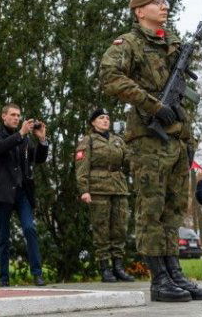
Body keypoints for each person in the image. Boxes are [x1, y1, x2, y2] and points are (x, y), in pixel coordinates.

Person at [99, 0, 202, 302]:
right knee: (151, 208)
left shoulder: (171, 43)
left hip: (176, 138)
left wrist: (188, 138)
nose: (164, 6)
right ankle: (159, 279)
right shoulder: (129, 43)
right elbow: (109, 76)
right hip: (149, 139)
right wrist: (151, 104)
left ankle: (175, 273)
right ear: (139, 11)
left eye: (165, 2)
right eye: (157, 3)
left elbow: (183, 91)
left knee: (173, 210)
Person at [0, 103, 49, 287]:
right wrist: (20, 133)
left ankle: (37, 274)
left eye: (19, 115)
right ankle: (4, 279)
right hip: (2, 193)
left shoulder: (25, 140)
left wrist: (42, 140)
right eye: (12, 114)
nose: (16, 118)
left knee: (30, 229)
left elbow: (39, 158)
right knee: (3, 237)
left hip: (22, 193)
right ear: (3, 116)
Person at [75, 108, 134, 283]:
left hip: (119, 188)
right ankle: (105, 268)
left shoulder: (118, 141)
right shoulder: (88, 141)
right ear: (93, 122)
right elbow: (81, 168)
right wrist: (84, 190)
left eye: (107, 118)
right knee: (101, 229)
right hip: (98, 189)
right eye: (101, 118)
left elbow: (129, 162)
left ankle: (118, 267)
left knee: (120, 228)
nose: (105, 120)